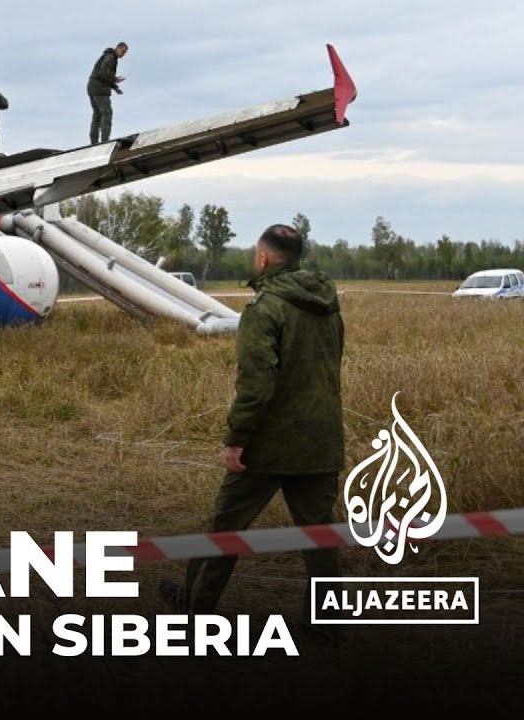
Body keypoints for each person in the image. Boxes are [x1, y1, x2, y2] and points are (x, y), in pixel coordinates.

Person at [158, 224, 345, 640]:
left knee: (226, 528)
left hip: (269, 443)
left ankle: (195, 610)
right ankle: (327, 624)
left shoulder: (264, 309)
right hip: (321, 439)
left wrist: (237, 439)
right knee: (320, 534)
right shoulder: (328, 305)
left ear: (263, 259)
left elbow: (257, 383)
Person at [87, 42, 127, 145]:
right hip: (99, 90)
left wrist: (115, 87)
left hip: (92, 87)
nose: (123, 54)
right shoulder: (110, 57)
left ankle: (94, 142)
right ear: (118, 48)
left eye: (125, 53)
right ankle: (104, 141)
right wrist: (115, 79)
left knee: (97, 114)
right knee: (107, 113)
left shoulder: (109, 56)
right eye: (123, 51)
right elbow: (103, 74)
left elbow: (105, 75)